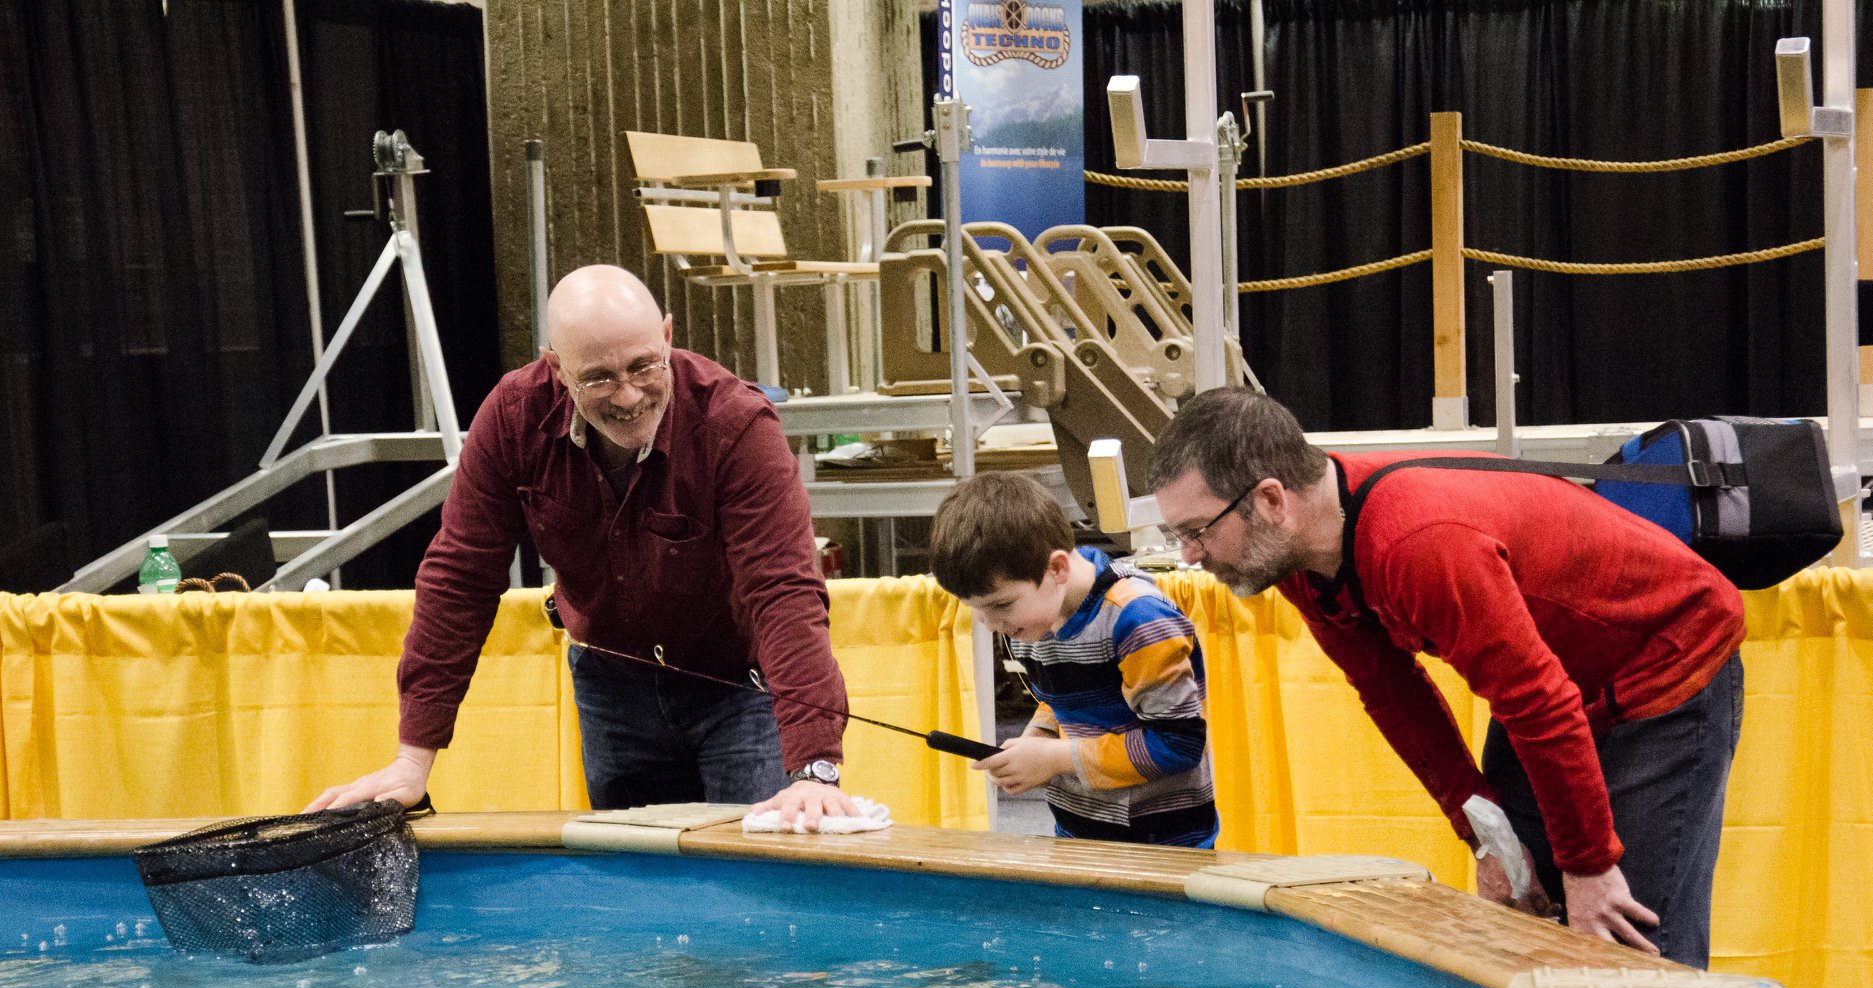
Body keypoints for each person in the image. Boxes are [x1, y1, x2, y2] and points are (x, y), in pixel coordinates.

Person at [1147, 388, 1745, 967]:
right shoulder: (1304, 551)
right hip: (1556, 683)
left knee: (1629, 943)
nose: (1189, 555)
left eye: (1198, 530)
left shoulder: (1419, 543)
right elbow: (1392, 694)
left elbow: (1540, 705)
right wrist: (1483, 836)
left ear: (1273, 500)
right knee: (1524, 911)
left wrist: (1588, 864)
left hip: (1665, 659)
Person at [309, 265, 860, 829]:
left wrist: (814, 769)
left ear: (667, 336)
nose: (627, 395)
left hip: (737, 687)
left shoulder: (734, 424)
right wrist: (411, 758)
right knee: (633, 891)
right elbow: (459, 578)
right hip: (610, 684)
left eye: (644, 366)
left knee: (758, 879)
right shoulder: (513, 417)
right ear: (555, 367)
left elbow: (784, 591)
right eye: (597, 378)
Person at [929, 472, 1219, 848]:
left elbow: (1178, 745)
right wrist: (1039, 736)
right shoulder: (1031, 619)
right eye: (975, 611)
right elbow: (1059, 694)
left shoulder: (1138, 620)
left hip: (1165, 839)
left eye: (1000, 605)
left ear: (1057, 569)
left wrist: (1053, 759)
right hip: (1079, 828)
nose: (990, 625)